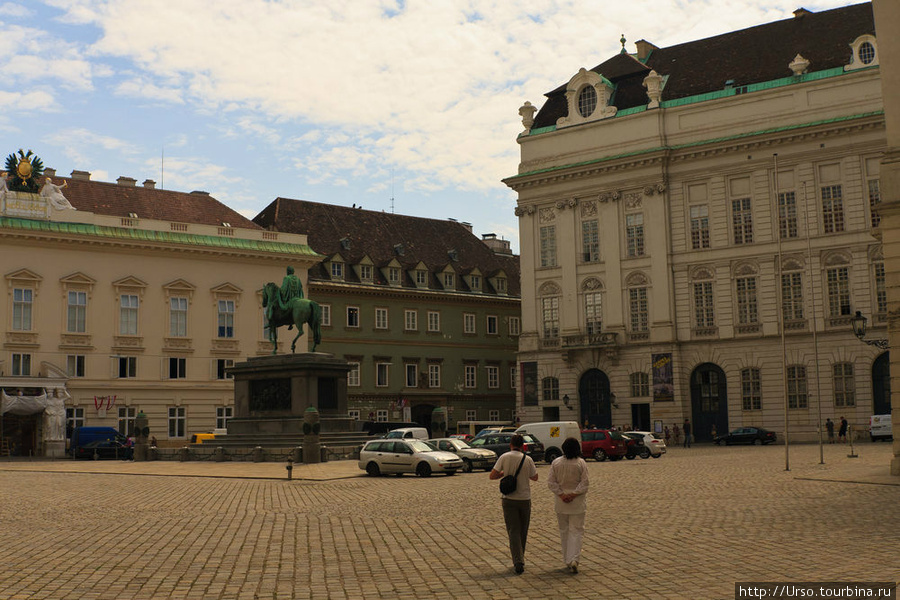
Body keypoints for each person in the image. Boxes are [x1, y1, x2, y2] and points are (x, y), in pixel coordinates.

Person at [489, 434, 538, 575]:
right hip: (524, 498)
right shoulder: (527, 459)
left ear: (510, 444)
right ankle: (520, 557)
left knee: (513, 530)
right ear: (522, 445)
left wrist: (505, 473)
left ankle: (518, 560)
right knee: (523, 530)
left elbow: (492, 475)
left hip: (509, 499)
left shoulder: (504, 457)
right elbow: (535, 477)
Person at [547, 437, 589, 574]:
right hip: (577, 503)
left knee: (564, 531)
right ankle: (574, 559)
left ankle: (567, 559)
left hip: (561, 503)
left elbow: (551, 482)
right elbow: (585, 483)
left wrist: (562, 494)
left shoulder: (556, 462)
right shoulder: (580, 463)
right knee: (576, 531)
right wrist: (574, 494)